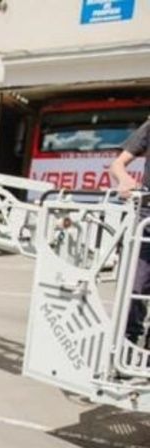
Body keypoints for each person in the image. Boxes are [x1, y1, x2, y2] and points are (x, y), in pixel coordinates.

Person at [110, 117, 150, 344]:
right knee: (134, 285)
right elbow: (117, 165)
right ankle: (128, 343)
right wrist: (125, 180)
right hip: (147, 216)